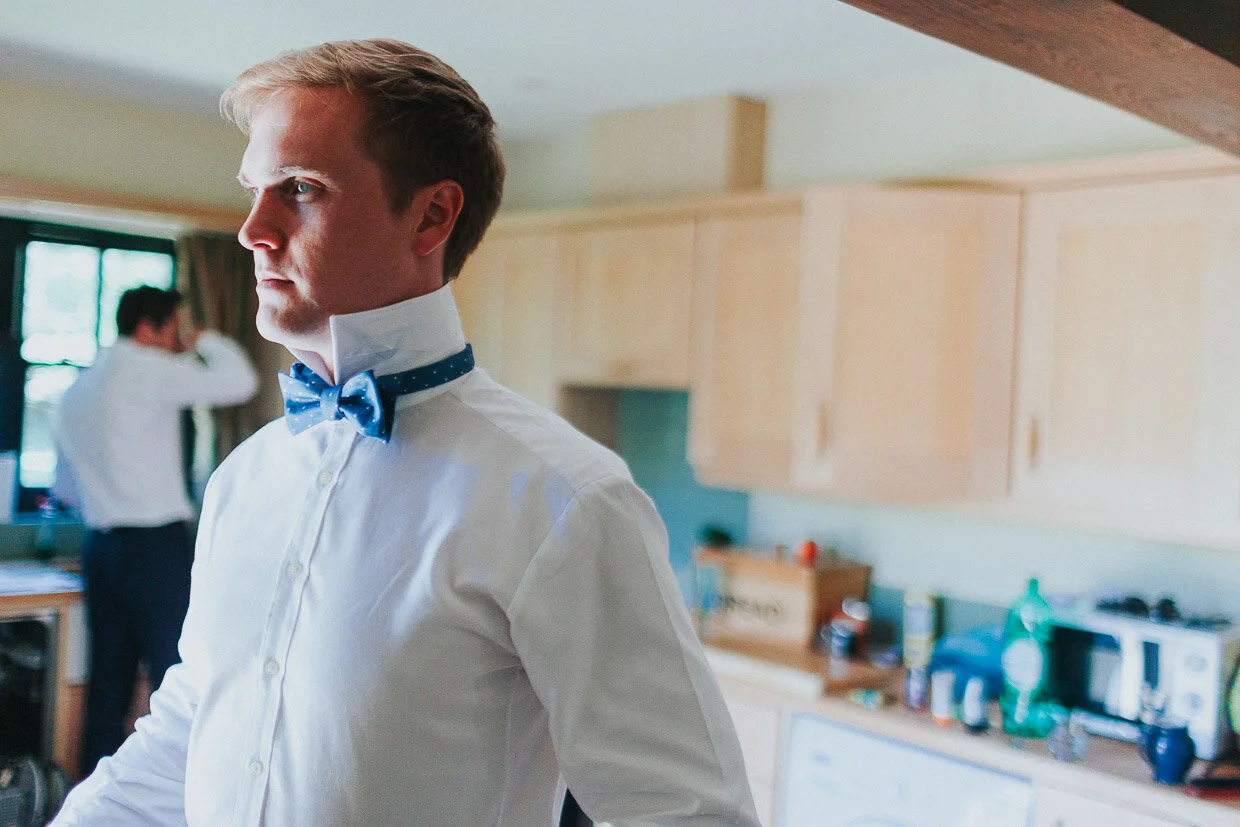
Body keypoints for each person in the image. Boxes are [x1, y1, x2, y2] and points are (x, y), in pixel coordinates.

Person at [53, 39, 760, 826]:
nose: (253, 229)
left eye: (300, 188)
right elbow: (193, 723)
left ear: (431, 216)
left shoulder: (565, 500)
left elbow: (690, 813)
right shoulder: (240, 480)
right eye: (255, 190)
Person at [52, 285, 258, 777]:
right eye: (174, 328)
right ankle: (180, 797)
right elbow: (241, 381)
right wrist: (204, 339)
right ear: (149, 328)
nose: (177, 339)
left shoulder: (77, 388)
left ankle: (95, 797)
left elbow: (64, 489)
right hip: (156, 550)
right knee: (175, 677)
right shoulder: (151, 371)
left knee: (108, 686)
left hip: (100, 548)